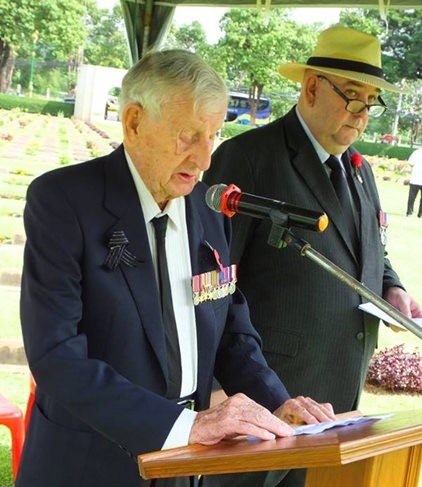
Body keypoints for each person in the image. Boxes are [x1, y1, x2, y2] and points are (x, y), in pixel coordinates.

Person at [17, 49, 335, 487]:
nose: (205, 159)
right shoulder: (64, 202)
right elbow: (56, 357)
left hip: (187, 462)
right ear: (133, 123)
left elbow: (232, 332)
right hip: (90, 463)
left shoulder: (208, 211)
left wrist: (278, 404)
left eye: (214, 135)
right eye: (189, 136)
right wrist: (181, 426)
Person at [202, 26, 422, 487]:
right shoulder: (249, 159)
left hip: (339, 398)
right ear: (310, 87)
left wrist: (393, 286)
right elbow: (214, 284)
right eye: (353, 97)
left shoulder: (360, 171)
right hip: (268, 400)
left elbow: (372, 250)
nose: (363, 115)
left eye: (371, 102)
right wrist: (233, 388)